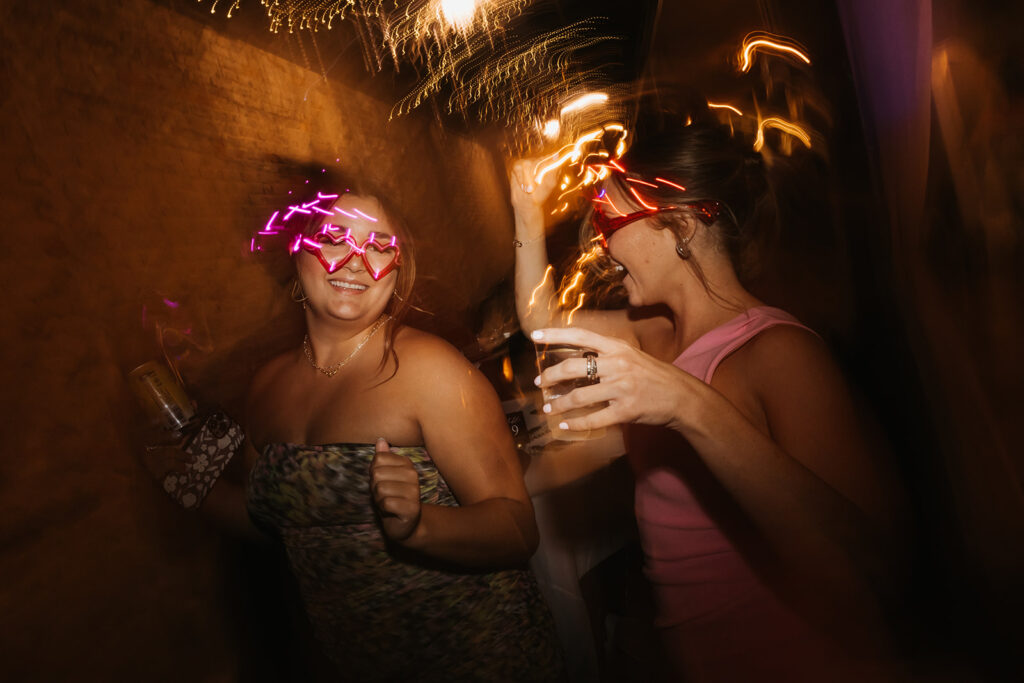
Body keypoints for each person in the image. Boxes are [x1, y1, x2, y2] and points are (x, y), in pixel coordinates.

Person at [509, 119, 907, 681]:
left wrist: (687, 404)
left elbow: (868, 572)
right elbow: (541, 320)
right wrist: (526, 212)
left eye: (611, 220)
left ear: (678, 225)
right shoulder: (652, 331)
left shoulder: (777, 351)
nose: (602, 242)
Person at [144, 174, 564, 681]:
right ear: (295, 254)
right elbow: (274, 521)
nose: (355, 262)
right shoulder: (267, 386)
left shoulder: (430, 370)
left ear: (396, 268)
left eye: (379, 246)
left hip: (479, 655)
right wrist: (192, 488)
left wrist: (420, 526)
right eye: (333, 238)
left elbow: (517, 530)